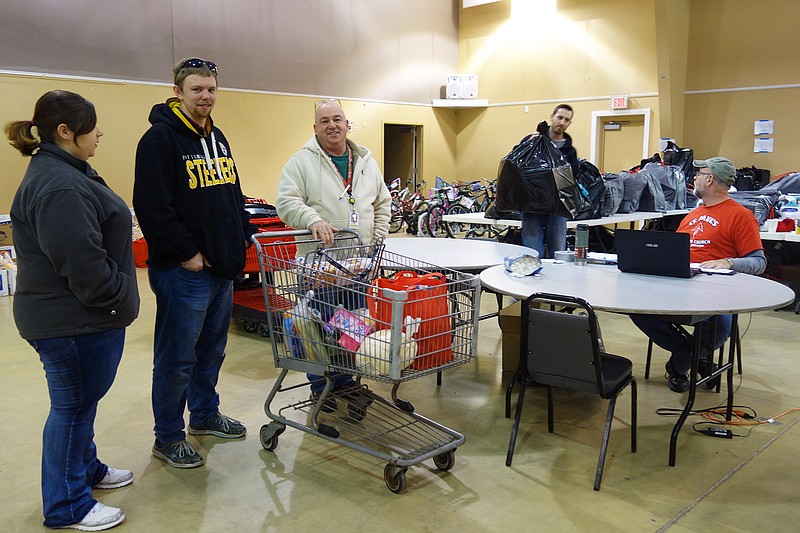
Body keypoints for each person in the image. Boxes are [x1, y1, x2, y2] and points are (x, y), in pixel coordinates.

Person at [6, 90, 139, 531]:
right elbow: (82, 266)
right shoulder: (59, 184)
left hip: (77, 318)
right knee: (73, 407)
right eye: (92, 126)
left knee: (82, 402)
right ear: (65, 132)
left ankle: (88, 471)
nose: (100, 132)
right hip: (71, 321)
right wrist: (120, 294)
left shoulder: (65, 170)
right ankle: (68, 505)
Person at [133, 58, 257, 468]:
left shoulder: (217, 137)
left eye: (211, 89)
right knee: (176, 358)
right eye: (197, 90)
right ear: (178, 92)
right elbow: (151, 208)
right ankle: (167, 437)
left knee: (211, 352)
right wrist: (188, 253)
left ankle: (203, 416)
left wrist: (240, 240)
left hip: (222, 268)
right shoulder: (159, 140)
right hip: (183, 272)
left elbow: (232, 195)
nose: (206, 96)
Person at [275, 98, 391, 410]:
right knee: (318, 333)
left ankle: (346, 383)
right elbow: (285, 202)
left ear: (347, 123)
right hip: (320, 270)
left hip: (359, 270)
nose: (332, 125)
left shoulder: (365, 160)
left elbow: (382, 203)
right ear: (315, 128)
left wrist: (377, 239)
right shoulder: (301, 162)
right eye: (324, 121)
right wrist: (311, 219)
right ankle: (321, 387)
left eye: (337, 119)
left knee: (352, 331)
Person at [631, 157, 766, 392]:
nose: (695, 177)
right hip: (679, 285)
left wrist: (728, 262)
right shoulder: (692, 215)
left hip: (715, 292)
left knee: (721, 325)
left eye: (699, 174)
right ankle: (696, 358)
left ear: (711, 179)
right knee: (634, 308)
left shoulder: (741, 216)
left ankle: (679, 364)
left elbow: (759, 262)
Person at [521, 104, 580, 259]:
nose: (562, 122)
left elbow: (570, 179)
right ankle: (533, 282)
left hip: (557, 208)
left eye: (566, 120)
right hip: (531, 206)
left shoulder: (570, 152)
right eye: (560, 117)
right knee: (532, 252)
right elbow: (516, 164)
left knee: (557, 253)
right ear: (552, 117)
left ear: (569, 124)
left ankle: (556, 282)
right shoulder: (533, 140)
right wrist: (529, 144)